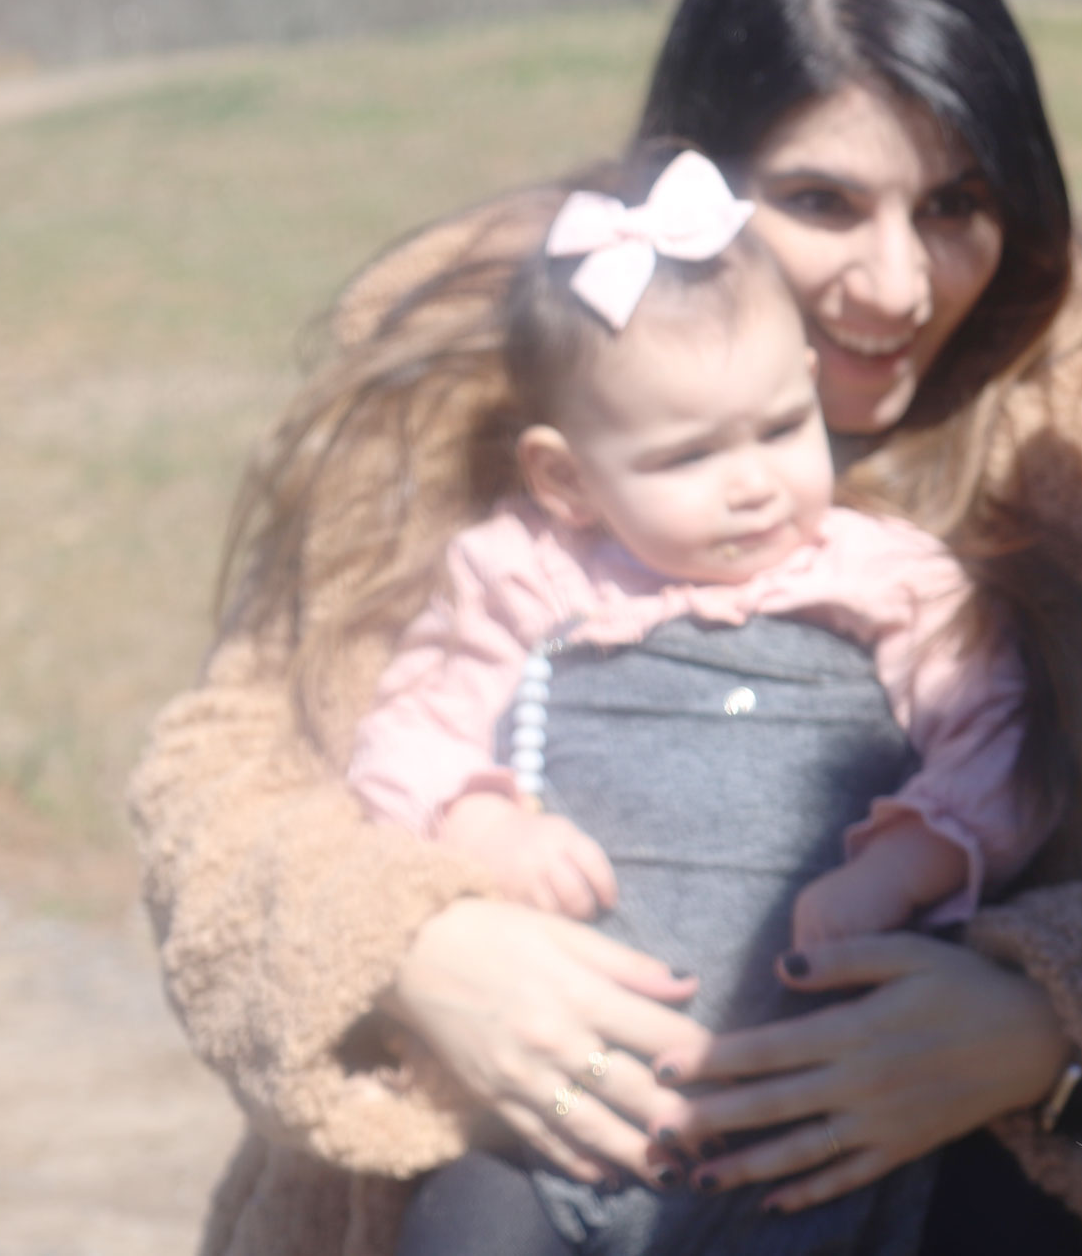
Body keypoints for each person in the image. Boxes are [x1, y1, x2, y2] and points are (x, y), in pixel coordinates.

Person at [131, 0, 1082, 1256]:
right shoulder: (480, 409)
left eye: (955, 202)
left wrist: (1050, 1016)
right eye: (824, 199)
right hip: (525, 1180)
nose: (897, 284)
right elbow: (222, 775)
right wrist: (416, 946)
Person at [353, 149, 1045, 1256]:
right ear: (567, 477)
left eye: (780, 426)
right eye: (687, 453)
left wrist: (902, 862)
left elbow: (996, 734)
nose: (753, 481)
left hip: (844, 1105)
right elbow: (403, 737)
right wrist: (481, 823)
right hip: (575, 1109)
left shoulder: (882, 575)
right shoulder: (525, 573)